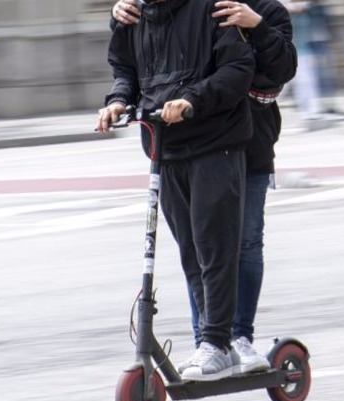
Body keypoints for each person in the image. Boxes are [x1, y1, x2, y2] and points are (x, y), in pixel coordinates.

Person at [110, 0, 298, 375]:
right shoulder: (194, 8)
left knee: (242, 243)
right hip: (192, 139)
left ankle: (237, 337)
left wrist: (257, 26)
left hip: (248, 142)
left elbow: (282, 68)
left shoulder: (264, 10)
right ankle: (210, 341)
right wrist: (119, 14)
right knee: (200, 243)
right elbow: (139, 53)